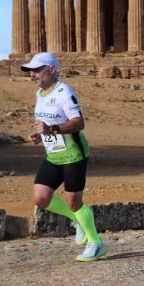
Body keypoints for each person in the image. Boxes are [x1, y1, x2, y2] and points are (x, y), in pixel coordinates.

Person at [21, 52, 108, 262]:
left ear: (51, 69)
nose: (33, 74)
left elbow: (78, 123)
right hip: (54, 155)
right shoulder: (40, 94)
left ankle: (96, 243)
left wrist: (50, 129)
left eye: (37, 69)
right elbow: (49, 127)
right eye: (31, 71)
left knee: (74, 202)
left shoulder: (63, 91)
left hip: (74, 154)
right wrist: (41, 136)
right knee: (40, 199)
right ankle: (78, 221)